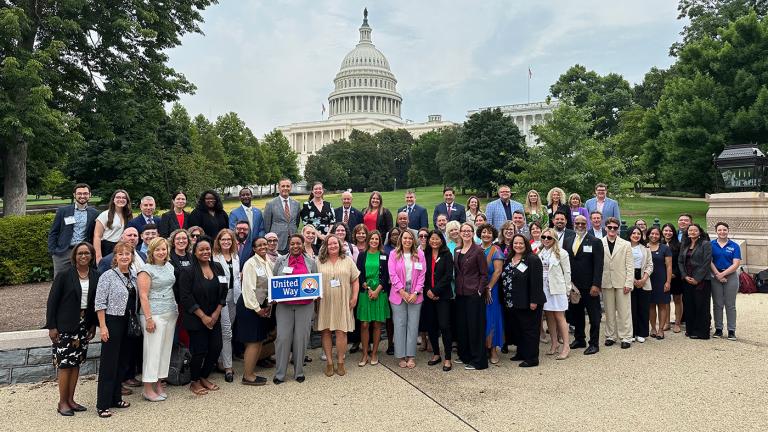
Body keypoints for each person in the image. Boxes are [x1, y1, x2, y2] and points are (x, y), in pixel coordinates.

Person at [45, 242, 97, 416]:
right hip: (65, 326)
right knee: (65, 365)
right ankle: (62, 402)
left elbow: (94, 302)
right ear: (74, 256)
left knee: (76, 364)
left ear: (91, 256)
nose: (83, 256)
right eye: (80, 253)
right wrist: (52, 326)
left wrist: (93, 324)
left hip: (84, 325)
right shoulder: (65, 275)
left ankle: (71, 400)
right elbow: (52, 302)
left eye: (87, 253)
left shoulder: (96, 275)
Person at [179, 236, 227, 395]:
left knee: (216, 347)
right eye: (201, 249)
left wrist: (216, 313)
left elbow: (224, 290)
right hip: (196, 318)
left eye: (207, 249)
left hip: (214, 317)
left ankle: (204, 376)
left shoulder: (218, 267)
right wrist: (203, 316)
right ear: (195, 252)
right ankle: (194, 381)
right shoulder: (188, 271)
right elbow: (185, 297)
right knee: (199, 350)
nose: (205, 252)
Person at [94, 241, 137, 417]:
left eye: (128, 254)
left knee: (122, 362)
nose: (125, 257)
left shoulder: (134, 275)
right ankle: (103, 404)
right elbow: (99, 303)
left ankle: (116, 397)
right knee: (109, 363)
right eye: (121, 254)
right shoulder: (108, 276)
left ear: (132, 256)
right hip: (112, 321)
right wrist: (103, 326)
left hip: (129, 322)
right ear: (115, 257)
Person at [272, 234, 318, 383]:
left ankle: (299, 371)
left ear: (303, 244)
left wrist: (317, 293)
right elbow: (274, 279)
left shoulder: (311, 262)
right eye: (292, 244)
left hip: (305, 305)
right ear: (289, 245)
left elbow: (315, 280)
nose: (295, 246)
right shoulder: (280, 260)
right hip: (284, 306)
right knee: (283, 338)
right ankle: (280, 373)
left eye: (298, 243)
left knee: (301, 338)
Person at [137, 238, 178, 401]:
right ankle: (148, 387)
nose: (161, 252)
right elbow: (143, 295)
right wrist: (148, 319)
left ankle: (159, 383)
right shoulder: (145, 270)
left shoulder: (169, 266)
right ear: (151, 252)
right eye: (158, 250)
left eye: (164, 249)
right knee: (152, 351)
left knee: (165, 350)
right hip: (153, 314)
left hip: (170, 312)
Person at [316, 235, 361, 377]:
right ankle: (329, 362)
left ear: (340, 245)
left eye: (335, 243)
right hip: (325, 301)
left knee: (342, 331)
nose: (333, 246)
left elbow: (355, 280)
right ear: (325, 246)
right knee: (326, 331)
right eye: (329, 244)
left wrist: (354, 297)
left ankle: (340, 362)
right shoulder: (318, 261)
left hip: (344, 301)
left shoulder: (347, 260)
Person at [500, 234, 546, 367]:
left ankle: (532, 358)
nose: (518, 246)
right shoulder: (509, 259)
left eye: (521, 243)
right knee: (518, 329)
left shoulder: (532, 259)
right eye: (515, 243)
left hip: (529, 302)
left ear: (526, 244)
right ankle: (521, 352)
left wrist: (534, 301)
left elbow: (537, 282)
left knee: (529, 330)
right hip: (512, 301)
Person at [564, 215, 604, 355]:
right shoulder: (568, 241)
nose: (580, 225)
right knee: (577, 314)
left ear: (587, 224)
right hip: (574, 286)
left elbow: (599, 265)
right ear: (574, 224)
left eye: (583, 223)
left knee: (594, 316)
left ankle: (594, 343)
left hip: (590, 286)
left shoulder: (595, 241)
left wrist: (596, 285)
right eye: (577, 223)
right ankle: (579, 339)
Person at [238, 237, 275, 386]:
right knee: (253, 342)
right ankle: (247, 376)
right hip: (250, 307)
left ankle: (251, 372)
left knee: (259, 340)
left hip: (261, 307)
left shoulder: (268, 263)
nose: (263, 247)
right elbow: (248, 289)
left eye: (265, 244)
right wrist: (257, 309)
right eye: (259, 245)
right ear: (253, 248)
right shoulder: (250, 264)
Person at [388, 230, 426, 369]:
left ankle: (411, 356)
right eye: (405, 238)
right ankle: (401, 355)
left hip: (415, 294)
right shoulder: (393, 254)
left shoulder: (420, 254)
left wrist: (416, 292)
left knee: (413, 325)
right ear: (401, 239)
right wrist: (402, 291)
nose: (408, 240)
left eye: (410, 238)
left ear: (413, 240)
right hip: (398, 294)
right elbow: (392, 274)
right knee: (400, 325)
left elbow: (422, 275)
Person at [454, 223, 489, 370]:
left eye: (469, 231)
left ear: (473, 233)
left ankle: (478, 361)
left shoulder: (478, 251)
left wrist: (480, 291)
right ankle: (465, 355)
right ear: (460, 233)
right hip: (461, 294)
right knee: (463, 326)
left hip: (474, 294)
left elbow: (484, 273)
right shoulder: (457, 250)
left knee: (475, 327)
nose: (466, 233)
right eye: (464, 231)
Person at [355, 230, 390, 366]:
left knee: (377, 324)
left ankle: (374, 353)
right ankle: (364, 353)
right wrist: (368, 288)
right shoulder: (362, 255)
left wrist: (377, 290)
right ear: (368, 240)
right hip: (366, 292)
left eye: (376, 239)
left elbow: (386, 275)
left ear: (379, 241)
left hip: (380, 292)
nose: (374, 241)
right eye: (372, 239)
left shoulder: (383, 256)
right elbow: (359, 273)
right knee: (364, 324)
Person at [48, 183, 99, 277]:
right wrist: (53, 251)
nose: (82, 196)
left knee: (83, 279)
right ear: (74, 195)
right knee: (60, 280)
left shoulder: (95, 213)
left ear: (90, 195)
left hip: (84, 253)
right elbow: (53, 232)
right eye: (79, 193)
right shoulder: (63, 211)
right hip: (63, 252)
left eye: (85, 193)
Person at [212, 229, 241, 383]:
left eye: (229, 240)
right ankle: (228, 367)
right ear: (218, 241)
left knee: (228, 329)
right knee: (226, 331)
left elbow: (237, 276)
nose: (226, 242)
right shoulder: (214, 257)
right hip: (220, 298)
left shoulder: (236, 257)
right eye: (223, 239)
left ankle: (221, 360)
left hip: (234, 296)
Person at [423, 230, 454, 371]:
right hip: (428, 296)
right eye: (431, 239)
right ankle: (436, 354)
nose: (434, 241)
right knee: (431, 326)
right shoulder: (425, 255)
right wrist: (428, 290)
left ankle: (447, 358)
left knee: (444, 326)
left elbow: (448, 276)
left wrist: (435, 291)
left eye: (437, 239)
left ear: (441, 240)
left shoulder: (447, 255)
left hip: (443, 296)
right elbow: (422, 274)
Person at [539, 227, 572, 359]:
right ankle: (554, 344)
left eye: (549, 237)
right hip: (544, 289)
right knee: (549, 317)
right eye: (544, 237)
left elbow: (567, 272)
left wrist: (567, 290)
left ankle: (566, 346)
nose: (546, 240)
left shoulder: (562, 253)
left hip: (557, 289)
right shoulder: (539, 253)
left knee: (559, 317)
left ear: (554, 239)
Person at [601, 217, 634, 349]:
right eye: (610, 227)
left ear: (618, 229)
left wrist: (629, 283)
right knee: (609, 311)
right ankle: (610, 335)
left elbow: (630, 265)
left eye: (615, 228)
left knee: (624, 311)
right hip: (606, 281)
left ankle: (626, 337)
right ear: (606, 228)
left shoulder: (626, 244)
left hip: (622, 281)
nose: (612, 230)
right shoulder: (599, 242)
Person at [679, 224, 712, 340]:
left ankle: (701, 332)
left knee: (701, 306)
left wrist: (697, 278)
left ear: (699, 232)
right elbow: (680, 261)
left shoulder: (705, 244)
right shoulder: (685, 244)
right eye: (690, 230)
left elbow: (707, 262)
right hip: (687, 279)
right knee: (689, 305)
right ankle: (690, 329)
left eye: (695, 230)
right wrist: (684, 276)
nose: (692, 232)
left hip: (702, 280)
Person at [477, 224, 504, 364]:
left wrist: (489, 288)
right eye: (483, 232)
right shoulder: (476, 248)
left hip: (491, 289)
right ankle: (482, 348)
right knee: (480, 319)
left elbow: (498, 271)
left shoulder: (496, 250)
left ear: (493, 235)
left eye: (489, 233)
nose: (486, 235)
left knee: (492, 318)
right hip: (477, 289)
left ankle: (493, 350)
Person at [710, 222, 741, 340]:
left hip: (731, 276)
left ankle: (731, 330)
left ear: (728, 230)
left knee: (730, 305)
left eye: (724, 230)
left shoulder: (734, 246)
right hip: (715, 276)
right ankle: (718, 329)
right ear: (716, 231)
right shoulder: (711, 244)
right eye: (719, 230)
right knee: (717, 304)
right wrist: (717, 274)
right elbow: (709, 261)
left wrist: (723, 274)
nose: (722, 232)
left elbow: (736, 263)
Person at [628, 226, 653, 343]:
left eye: (638, 233)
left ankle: (642, 332)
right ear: (629, 234)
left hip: (644, 278)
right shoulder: (624, 247)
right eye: (634, 233)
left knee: (643, 307)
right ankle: (632, 332)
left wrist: (643, 279)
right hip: (629, 278)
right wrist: (632, 279)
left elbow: (650, 265)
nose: (636, 235)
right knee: (631, 307)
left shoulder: (646, 248)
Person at [263, 178, 301, 254]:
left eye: (288, 186)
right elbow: (267, 225)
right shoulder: (270, 204)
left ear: (291, 187)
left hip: (293, 241)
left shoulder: (296, 204)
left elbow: (296, 222)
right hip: (278, 242)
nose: (285, 188)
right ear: (279, 187)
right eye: (283, 186)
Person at [93, 189, 133, 263]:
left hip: (122, 248)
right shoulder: (104, 215)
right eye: (118, 197)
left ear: (127, 200)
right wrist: (98, 257)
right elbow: (97, 236)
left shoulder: (128, 216)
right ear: (113, 200)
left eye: (124, 198)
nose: (121, 199)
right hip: (107, 248)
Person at [647, 226, 672, 340]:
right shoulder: (644, 247)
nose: (654, 236)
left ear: (660, 235)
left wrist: (668, 281)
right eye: (652, 233)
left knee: (662, 305)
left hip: (661, 280)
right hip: (648, 280)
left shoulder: (664, 248)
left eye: (657, 234)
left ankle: (661, 329)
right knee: (651, 305)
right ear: (648, 234)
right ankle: (653, 328)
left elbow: (669, 266)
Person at [661, 223, 683, 333]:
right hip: (662, 277)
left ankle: (678, 323)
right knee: (665, 301)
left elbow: (681, 261)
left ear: (673, 232)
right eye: (665, 231)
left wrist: (675, 273)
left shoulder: (679, 246)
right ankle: (667, 322)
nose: (667, 233)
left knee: (677, 299)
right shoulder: (659, 244)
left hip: (676, 276)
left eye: (670, 231)